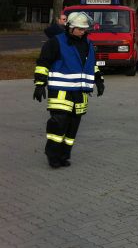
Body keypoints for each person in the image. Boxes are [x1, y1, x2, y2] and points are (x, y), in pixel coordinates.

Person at [33, 12, 104, 168]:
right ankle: (52, 156)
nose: (82, 31)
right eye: (79, 28)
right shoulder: (56, 42)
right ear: (70, 27)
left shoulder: (88, 43)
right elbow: (43, 62)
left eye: (84, 29)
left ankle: (64, 155)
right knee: (58, 124)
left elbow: (92, 64)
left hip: (80, 92)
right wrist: (39, 83)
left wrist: (99, 80)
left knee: (72, 128)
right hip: (61, 91)